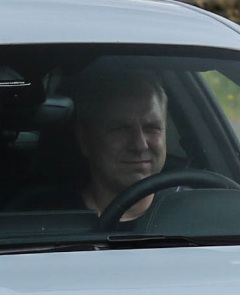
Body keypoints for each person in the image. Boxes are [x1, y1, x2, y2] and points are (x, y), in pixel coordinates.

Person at [18, 64, 171, 221]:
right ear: (84, 139)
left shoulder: (191, 210)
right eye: (120, 128)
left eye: (152, 127)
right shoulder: (44, 217)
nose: (140, 145)